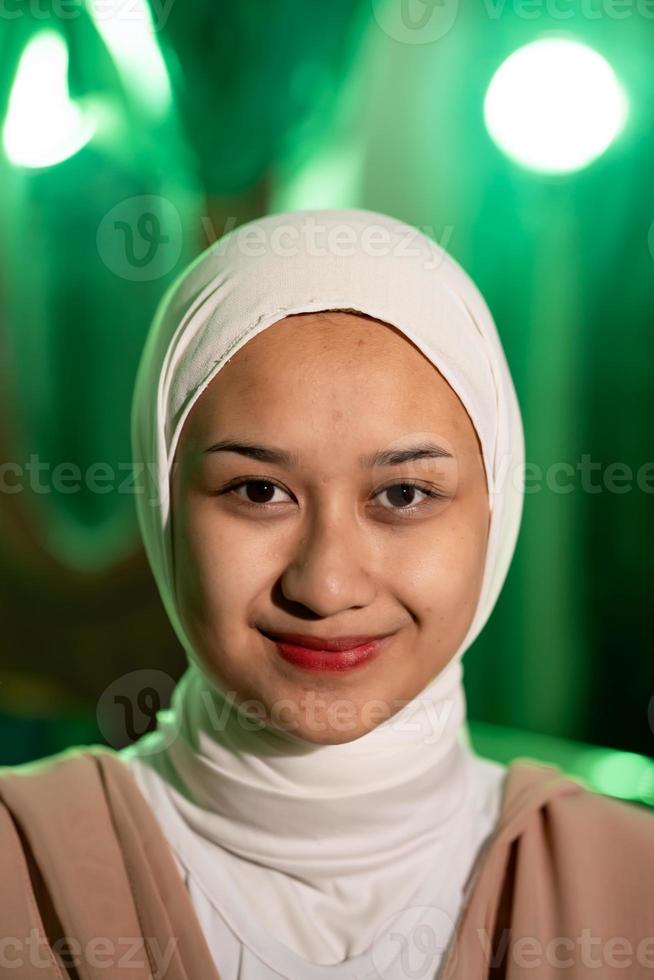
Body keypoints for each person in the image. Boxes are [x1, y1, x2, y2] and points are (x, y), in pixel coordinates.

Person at [0, 208, 652, 980]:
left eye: (404, 494)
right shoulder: (23, 865)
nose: (327, 584)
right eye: (258, 489)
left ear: (498, 506)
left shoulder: (627, 885)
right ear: (164, 504)